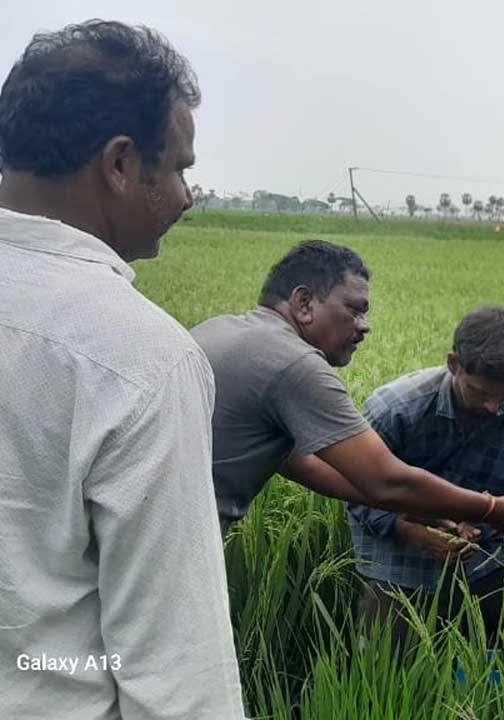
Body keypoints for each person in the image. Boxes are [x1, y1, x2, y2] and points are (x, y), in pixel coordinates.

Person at [0, 20, 244, 718]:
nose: (188, 197)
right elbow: (175, 669)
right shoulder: (142, 359)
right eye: (178, 168)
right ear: (119, 164)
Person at [191, 240, 504, 537]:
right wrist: (491, 508)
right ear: (303, 304)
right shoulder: (296, 364)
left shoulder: (221, 329)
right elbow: (387, 480)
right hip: (177, 538)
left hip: (157, 522)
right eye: (355, 310)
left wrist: (419, 508)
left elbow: (299, 462)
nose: (365, 327)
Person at [349, 306, 504, 644]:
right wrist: (411, 530)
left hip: (489, 556)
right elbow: (355, 493)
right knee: (385, 665)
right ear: (454, 364)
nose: (493, 407)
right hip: (399, 556)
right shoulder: (396, 409)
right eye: (481, 392)